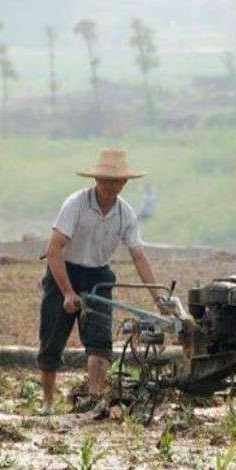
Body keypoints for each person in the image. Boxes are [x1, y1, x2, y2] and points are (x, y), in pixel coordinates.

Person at [39, 148, 160, 412]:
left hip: (98, 276)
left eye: (116, 181)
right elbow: (53, 250)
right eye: (105, 180)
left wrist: (158, 298)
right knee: (52, 340)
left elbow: (139, 257)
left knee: (100, 342)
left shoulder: (125, 214)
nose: (110, 186)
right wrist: (68, 293)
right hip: (64, 270)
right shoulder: (76, 204)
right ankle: (48, 401)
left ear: (124, 183)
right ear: (96, 180)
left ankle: (95, 400)